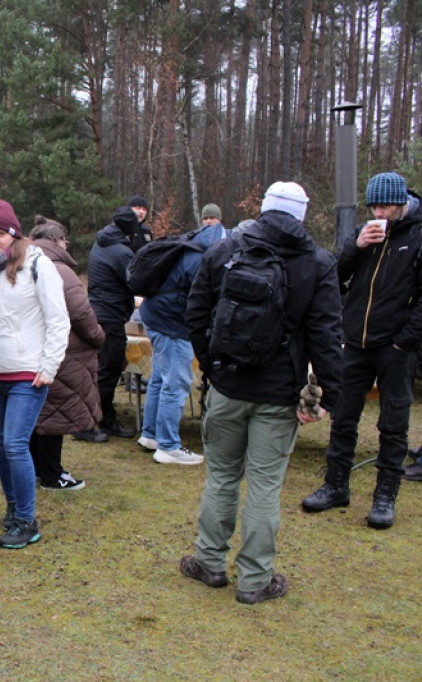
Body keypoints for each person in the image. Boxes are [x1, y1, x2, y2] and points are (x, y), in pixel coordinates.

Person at [181, 181, 343, 604]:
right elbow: (326, 335)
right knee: (265, 488)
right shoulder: (317, 262)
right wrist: (329, 397)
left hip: (228, 386)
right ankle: (255, 580)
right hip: (279, 395)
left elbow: (195, 314)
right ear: (301, 216)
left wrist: (213, 367)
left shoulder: (224, 250)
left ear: (265, 208)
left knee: (221, 477)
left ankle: (208, 563)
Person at [302, 172, 422, 528]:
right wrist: (356, 247)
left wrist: (405, 340)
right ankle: (335, 484)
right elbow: (333, 276)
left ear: (401, 202)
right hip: (355, 341)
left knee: (393, 423)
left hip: (396, 347)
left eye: (384, 205)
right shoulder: (363, 234)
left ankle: (385, 496)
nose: (378, 212)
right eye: (373, 206)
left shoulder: (417, 235)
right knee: (344, 415)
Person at [0, 201, 69, 548]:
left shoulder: (38, 265)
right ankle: (12, 509)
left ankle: (27, 520)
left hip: (28, 372)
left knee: (14, 444)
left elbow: (59, 320)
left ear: (15, 234)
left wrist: (49, 367)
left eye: (1, 234)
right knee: (0, 443)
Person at [137, 205, 229, 465]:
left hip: (154, 316)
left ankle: (151, 435)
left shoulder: (189, 248)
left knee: (159, 377)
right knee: (176, 383)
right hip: (171, 325)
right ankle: (168, 446)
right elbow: (199, 301)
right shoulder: (203, 260)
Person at [29, 216, 105, 490]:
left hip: (33, 351)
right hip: (63, 353)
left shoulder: (24, 262)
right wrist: (98, 337)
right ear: (57, 241)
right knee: (55, 414)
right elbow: (81, 314)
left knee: (38, 414)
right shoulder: (60, 270)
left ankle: (37, 468)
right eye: (64, 240)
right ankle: (52, 473)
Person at [84, 206, 143, 440]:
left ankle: (97, 417)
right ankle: (102, 420)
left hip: (98, 313)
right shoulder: (121, 252)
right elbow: (137, 281)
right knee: (109, 370)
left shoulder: (101, 242)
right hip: (110, 317)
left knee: (100, 369)